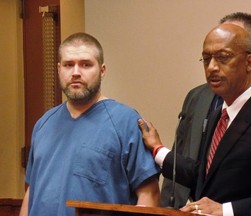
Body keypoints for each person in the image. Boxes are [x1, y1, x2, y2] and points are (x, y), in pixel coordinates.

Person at [138, 23, 251, 216]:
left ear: (250, 62)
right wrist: (158, 150)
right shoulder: (219, 113)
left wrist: (226, 210)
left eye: (223, 58)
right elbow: (208, 176)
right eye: (206, 59)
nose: (212, 67)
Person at [19, 32, 160, 216]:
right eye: (69, 65)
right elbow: (31, 193)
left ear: (102, 70)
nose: (76, 72)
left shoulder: (126, 122)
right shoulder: (43, 125)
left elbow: (149, 194)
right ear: (59, 69)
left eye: (86, 64)